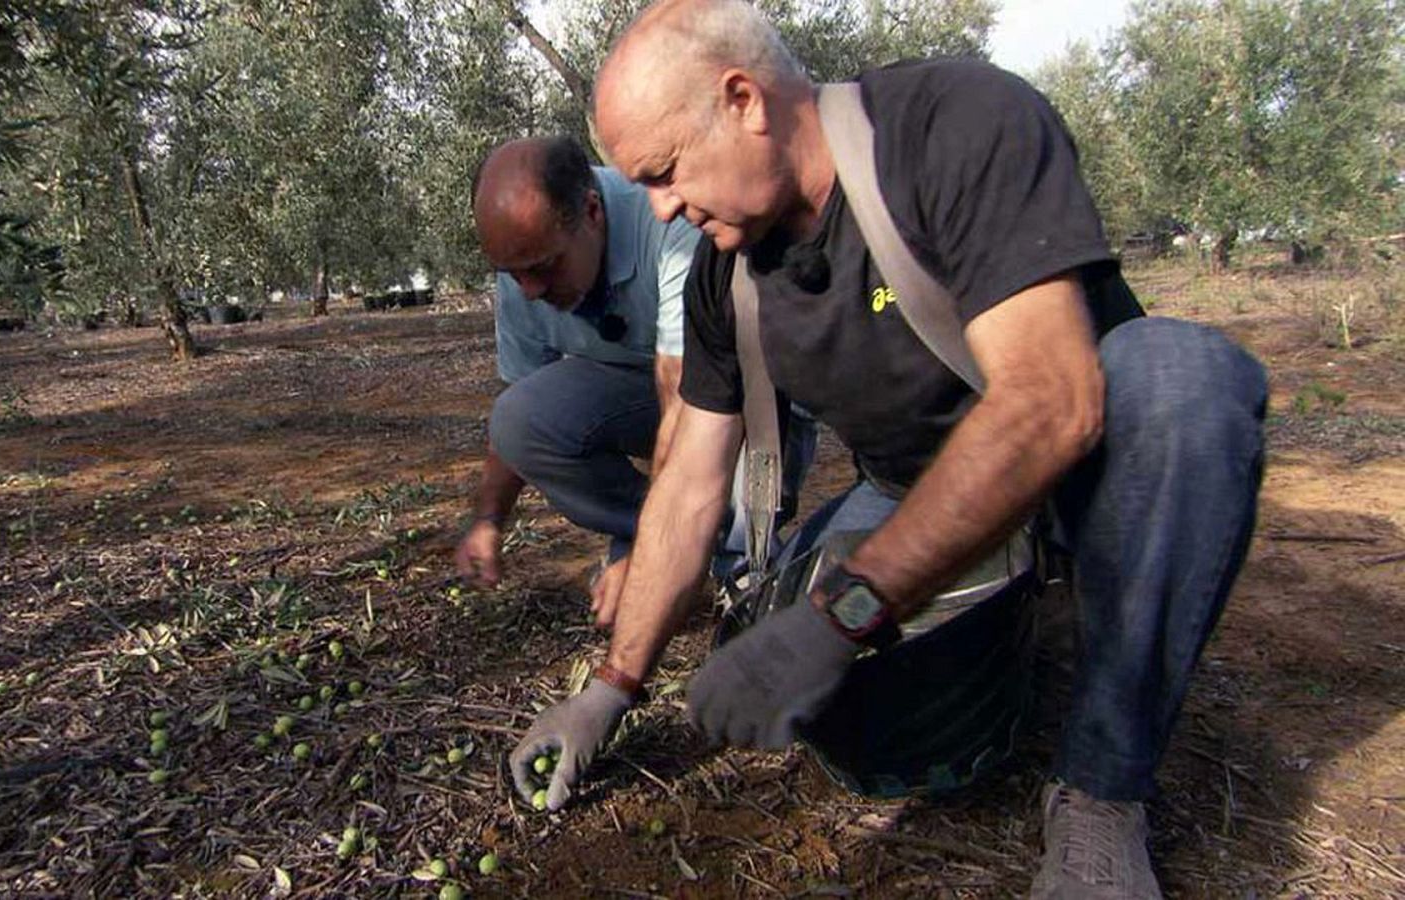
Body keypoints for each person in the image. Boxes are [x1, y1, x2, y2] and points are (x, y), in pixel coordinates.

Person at [505, 3, 1268, 899]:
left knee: (1185, 385)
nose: (663, 206)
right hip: (916, 489)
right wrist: (611, 688)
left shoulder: (952, 125)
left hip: (1089, 460)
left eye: (666, 173)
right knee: (874, 728)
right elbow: (688, 486)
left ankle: (1103, 791)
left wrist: (844, 616)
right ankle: (1014, 608)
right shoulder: (728, 273)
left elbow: (1050, 402)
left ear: (744, 99)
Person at [457, 135, 809, 626]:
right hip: (647, 392)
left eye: (543, 268)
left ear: (592, 211)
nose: (529, 291)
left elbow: (685, 399)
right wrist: (489, 519)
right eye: (511, 273)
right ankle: (651, 527)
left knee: (741, 553)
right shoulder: (525, 267)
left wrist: (651, 554)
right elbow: (515, 409)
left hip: (747, 394)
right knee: (518, 419)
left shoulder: (666, 222)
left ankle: (738, 569)